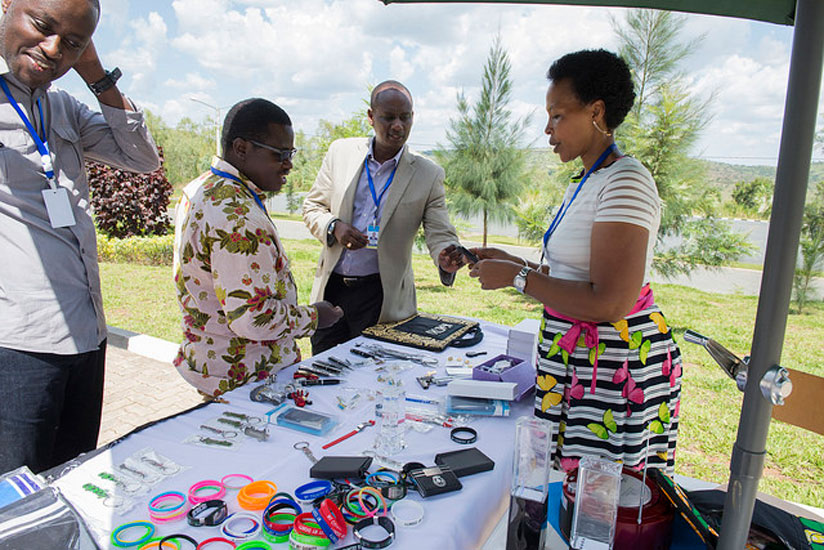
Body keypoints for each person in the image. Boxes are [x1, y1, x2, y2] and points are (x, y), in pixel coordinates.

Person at [469, 50, 682, 474]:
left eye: (558, 115)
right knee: (566, 496)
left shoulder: (627, 180)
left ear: (596, 111)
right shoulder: (590, 178)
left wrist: (517, 278)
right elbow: (572, 278)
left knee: (597, 507)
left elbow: (608, 302)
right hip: (580, 363)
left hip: (612, 371)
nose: (548, 129)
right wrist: (513, 262)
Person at [0, 0, 161, 474]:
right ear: (7, 5)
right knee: (15, 496)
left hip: (87, 334)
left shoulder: (62, 106)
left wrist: (94, 72)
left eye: (71, 42)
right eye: (42, 26)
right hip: (19, 345)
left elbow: (141, 156)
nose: (52, 50)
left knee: (71, 475)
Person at [173, 98, 343, 397]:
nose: (289, 164)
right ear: (241, 149)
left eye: (291, 153)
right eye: (281, 154)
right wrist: (316, 317)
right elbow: (253, 318)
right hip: (247, 380)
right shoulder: (237, 217)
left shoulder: (201, 188)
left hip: (215, 366)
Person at [303, 80, 464, 354]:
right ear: (370, 117)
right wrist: (334, 227)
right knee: (322, 372)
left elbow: (440, 231)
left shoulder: (428, 174)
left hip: (382, 298)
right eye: (389, 118)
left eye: (405, 117)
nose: (398, 126)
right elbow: (312, 207)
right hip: (331, 293)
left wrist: (445, 256)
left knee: (375, 379)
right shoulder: (340, 153)